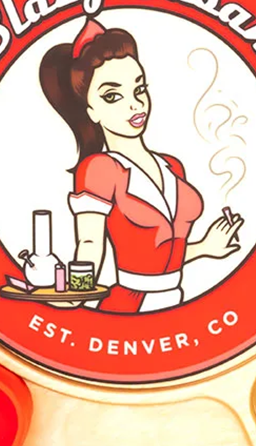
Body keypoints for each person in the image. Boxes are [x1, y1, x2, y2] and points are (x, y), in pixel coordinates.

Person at [39, 17, 243, 313]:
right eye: (113, 96)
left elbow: (160, 253)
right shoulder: (99, 169)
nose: (135, 104)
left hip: (174, 301)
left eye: (139, 89)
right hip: (129, 306)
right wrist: (75, 294)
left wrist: (205, 248)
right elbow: (90, 244)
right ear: (91, 111)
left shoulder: (171, 166)